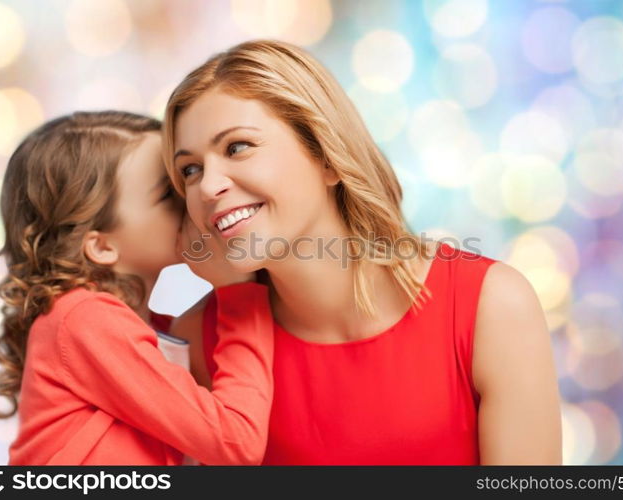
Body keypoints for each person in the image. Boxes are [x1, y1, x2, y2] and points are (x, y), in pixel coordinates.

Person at [163, 40, 562, 465]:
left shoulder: (491, 306)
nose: (207, 187)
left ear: (327, 156)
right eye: (190, 169)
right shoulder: (201, 339)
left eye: (237, 147)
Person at [0, 111, 274, 465]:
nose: (195, 196)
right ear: (102, 246)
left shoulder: (146, 327)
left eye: (186, 176)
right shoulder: (84, 318)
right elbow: (235, 443)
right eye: (169, 193)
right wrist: (238, 293)